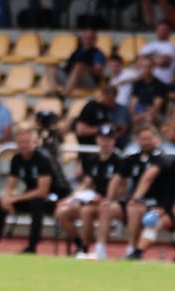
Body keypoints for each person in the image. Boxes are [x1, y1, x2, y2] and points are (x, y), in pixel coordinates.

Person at [0, 125, 68, 254]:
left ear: (34, 142)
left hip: (55, 195)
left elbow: (42, 191)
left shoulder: (43, 159)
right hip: (31, 194)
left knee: (37, 203)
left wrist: (15, 198)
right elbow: (11, 184)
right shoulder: (16, 159)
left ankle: (32, 246)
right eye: (20, 143)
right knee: (0, 203)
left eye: (27, 142)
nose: (24, 146)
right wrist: (7, 199)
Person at [98, 124, 172, 260]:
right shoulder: (132, 158)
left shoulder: (162, 159)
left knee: (135, 210)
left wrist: (136, 198)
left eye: (149, 138)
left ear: (156, 139)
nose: (146, 142)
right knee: (106, 208)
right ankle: (100, 249)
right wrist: (109, 198)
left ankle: (132, 249)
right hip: (136, 201)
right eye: (143, 139)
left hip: (155, 204)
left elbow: (148, 178)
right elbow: (117, 178)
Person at [57, 124, 121, 256]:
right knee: (62, 212)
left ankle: (99, 248)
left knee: (101, 208)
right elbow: (87, 183)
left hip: (113, 202)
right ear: (97, 140)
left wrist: (108, 199)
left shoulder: (119, 161)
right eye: (102, 138)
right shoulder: (93, 160)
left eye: (108, 139)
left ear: (113, 141)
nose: (105, 142)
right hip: (93, 200)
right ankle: (80, 245)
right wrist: (71, 199)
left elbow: (120, 186)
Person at [72, 85, 131, 176]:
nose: (111, 102)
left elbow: (116, 130)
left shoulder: (111, 110)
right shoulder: (91, 106)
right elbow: (80, 130)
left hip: (104, 152)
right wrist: (101, 129)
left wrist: (113, 130)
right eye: (110, 99)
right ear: (104, 95)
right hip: (88, 150)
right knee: (85, 175)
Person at [43, 28, 106, 99]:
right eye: (86, 37)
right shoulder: (77, 51)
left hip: (89, 81)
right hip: (71, 78)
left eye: (90, 38)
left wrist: (84, 67)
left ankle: (64, 95)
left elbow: (98, 72)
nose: (87, 40)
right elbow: (68, 66)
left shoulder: (98, 53)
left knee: (79, 66)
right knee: (50, 65)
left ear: (94, 40)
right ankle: (54, 92)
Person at [128, 54, 168, 129]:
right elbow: (133, 102)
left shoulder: (160, 85)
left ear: (153, 68)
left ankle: (148, 138)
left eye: (149, 67)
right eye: (144, 67)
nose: (146, 69)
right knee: (130, 118)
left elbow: (157, 106)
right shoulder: (138, 84)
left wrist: (141, 116)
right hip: (139, 112)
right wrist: (133, 114)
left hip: (155, 114)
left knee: (149, 118)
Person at [139, 21, 174, 88]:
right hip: (144, 82)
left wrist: (147, 58)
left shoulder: (172, 47)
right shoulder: (148, 46)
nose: (162, 32)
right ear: (156, 31)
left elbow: (162, 62)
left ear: (169, 32)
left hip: (162, 83)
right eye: (160, 29)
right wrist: (157, 58)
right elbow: (140, 62)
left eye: (164, 29)